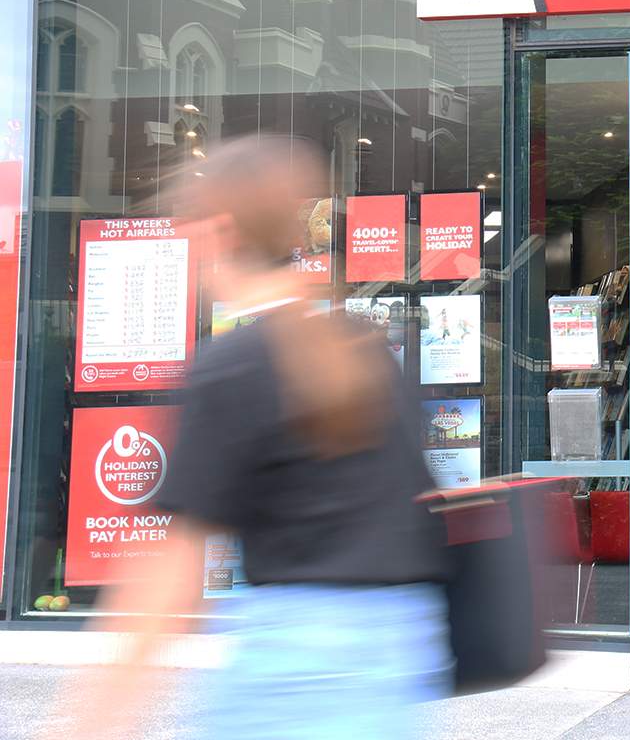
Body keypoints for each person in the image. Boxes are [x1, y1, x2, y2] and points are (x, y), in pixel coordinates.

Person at [57, 137, 448, 740]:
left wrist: (90, 721)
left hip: (292, 657)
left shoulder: (235, 364)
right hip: (394, 646)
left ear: (221, 230)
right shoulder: (363, 350)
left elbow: (172, 572)